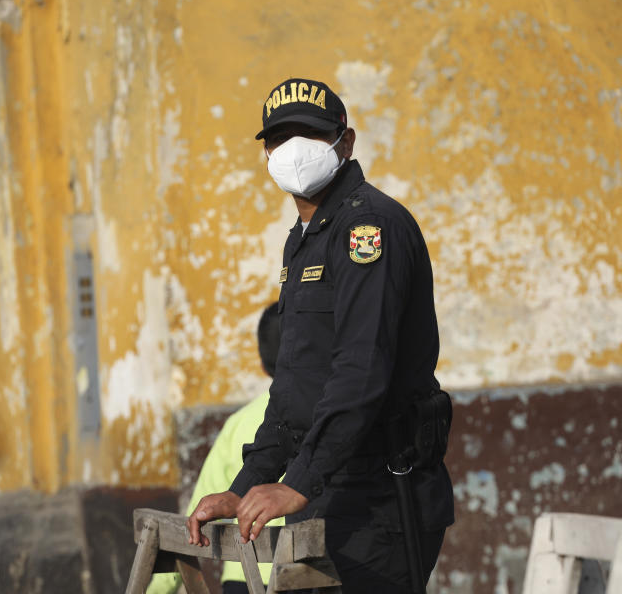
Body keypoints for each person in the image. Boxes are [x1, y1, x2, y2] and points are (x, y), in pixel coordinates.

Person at [186, 78, 454, 593]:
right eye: (279, 139)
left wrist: (297, 485)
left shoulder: (367, 229)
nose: (292, 151)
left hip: (381, 500)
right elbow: (293, 392)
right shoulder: (305, 240)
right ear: (265, 153)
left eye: (309, 135)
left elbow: (361, 372)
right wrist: (243, 489)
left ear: (345, 142)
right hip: (328, 497)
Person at [147, 302, 283, 594]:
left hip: (243, 576)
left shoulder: (238, 424)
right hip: (310, 573)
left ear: (261, 364)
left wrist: (159, 589)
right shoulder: (333, 419)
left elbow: (196, 515)